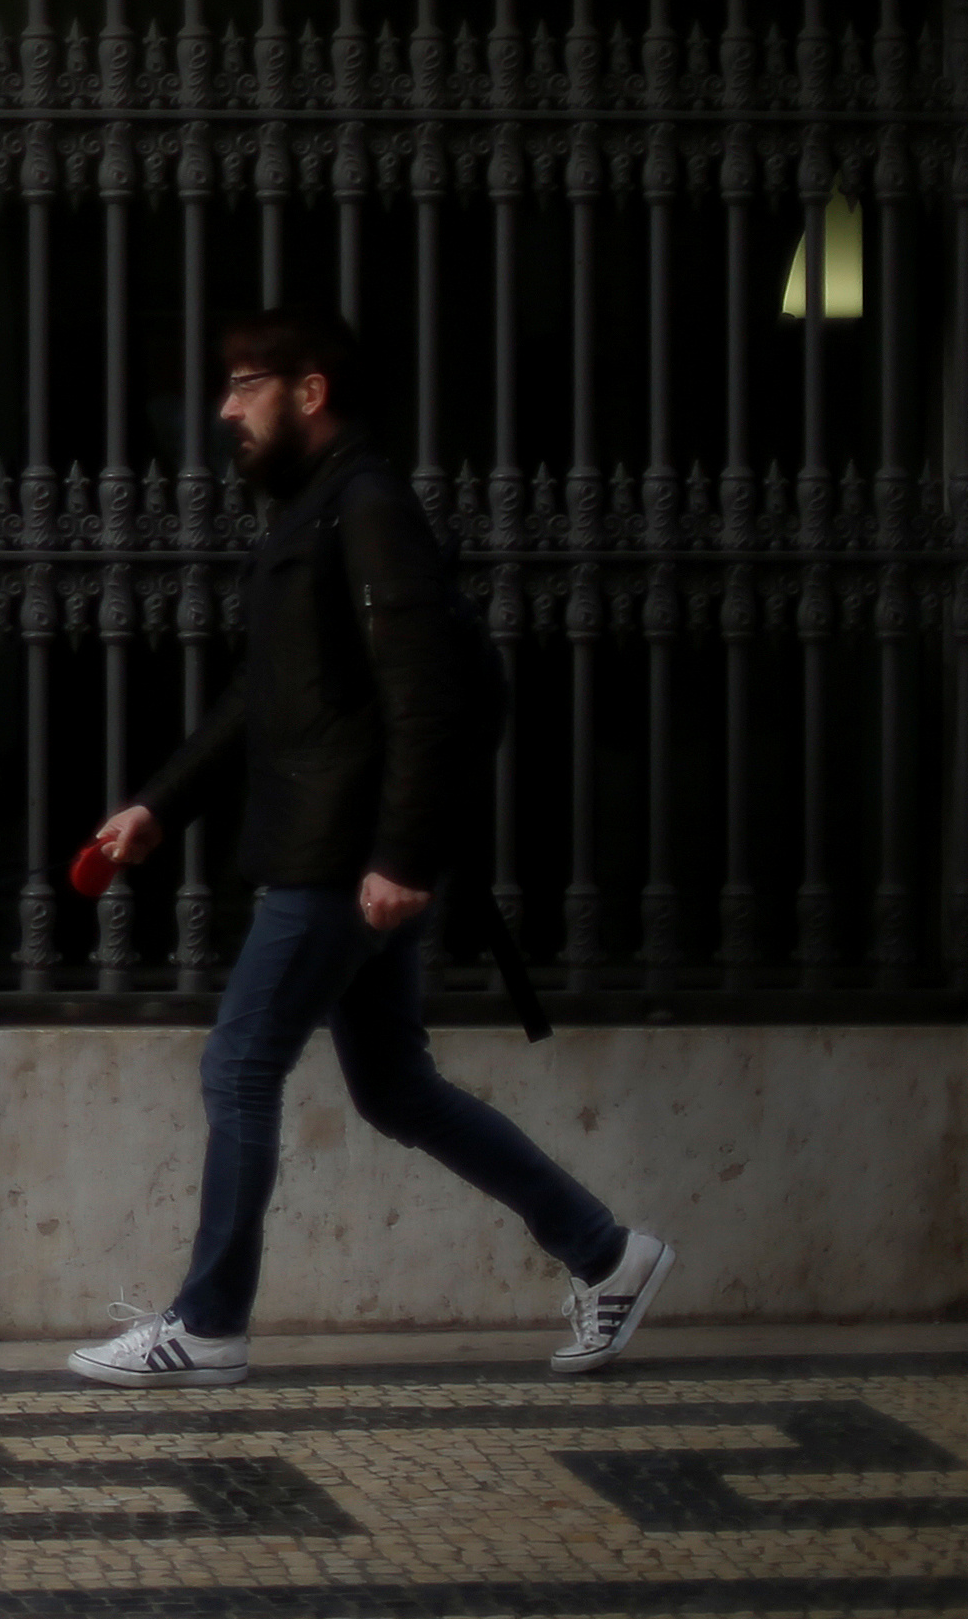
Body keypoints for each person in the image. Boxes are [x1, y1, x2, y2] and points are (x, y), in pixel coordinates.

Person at [72, 307, 674, 1388]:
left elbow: (428, 698)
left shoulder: (370, 509)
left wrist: (401, 853)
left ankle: (206, 1324)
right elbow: (267, 699)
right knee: (395, 1088)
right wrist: (158, 806)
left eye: (243, 385)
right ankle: (607, 1253)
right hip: (340, 851)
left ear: (309, 390)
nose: (224, 410)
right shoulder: (318, 511)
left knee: (239, 1064)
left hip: (340, 859)